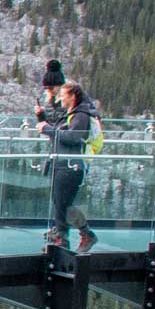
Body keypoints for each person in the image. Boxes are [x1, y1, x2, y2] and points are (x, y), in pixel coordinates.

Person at [37, 79, 99, 252]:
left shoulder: (81, 115)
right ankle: (64, 237)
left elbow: (72, 137)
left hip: (70, 166)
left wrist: (47, 129)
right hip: (62, 164)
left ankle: (80, 235)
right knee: (60, 203)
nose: (61, 98)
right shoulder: (71, 113)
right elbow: (58, 130)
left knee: (63, 203)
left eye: (63, 95)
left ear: (73, 96)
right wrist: (42, 119)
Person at [34, 58, 66, 126]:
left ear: (60, 85)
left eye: (51, 88)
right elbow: (49, 125)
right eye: (46, 88)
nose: (48, 90)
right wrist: (40, 115)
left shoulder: (69, 101)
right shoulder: (49, 102)